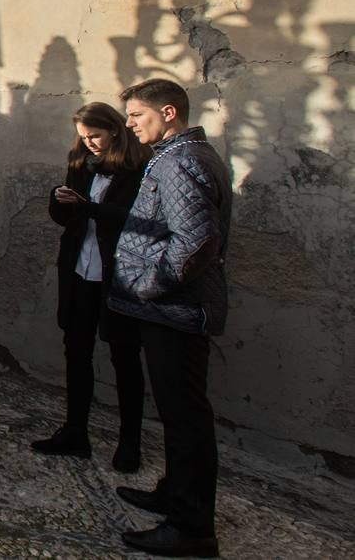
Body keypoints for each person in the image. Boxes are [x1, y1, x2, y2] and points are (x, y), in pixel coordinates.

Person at [110, 79, 230, 558]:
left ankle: (192, 527)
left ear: (169, 111)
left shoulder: (182, 161)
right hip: (167, 308)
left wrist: (144, 287)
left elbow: (194, 247)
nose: (129, 124)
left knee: (186, 419)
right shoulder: (181, 155)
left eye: (137, 115)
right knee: (178, 413)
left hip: (174, 309)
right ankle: (173, 493)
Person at [32, 102, 149, 472]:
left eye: (95, 135)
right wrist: (60, 200)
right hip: (80, 270)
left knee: (125, 359)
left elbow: (136, 220)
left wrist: (89, 208)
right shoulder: (81, 162)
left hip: (118, 275)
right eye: (83, 137)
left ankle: (130, 442)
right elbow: (67, 219)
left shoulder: (137, 168)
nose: (89, 143)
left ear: (115, 130)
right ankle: (75, 430)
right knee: (76, 351)